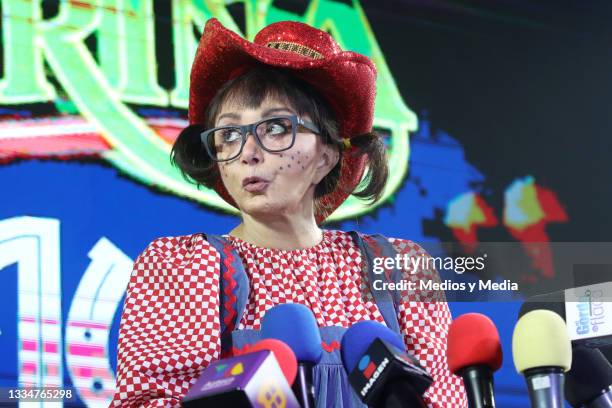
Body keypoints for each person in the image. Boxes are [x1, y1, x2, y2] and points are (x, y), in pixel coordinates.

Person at [111, 18, 468, 407]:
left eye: (276, 128)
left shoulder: (399, 267)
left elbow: (448, 401)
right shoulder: (183, 267)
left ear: (328, 155)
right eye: (228, 134)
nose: (248, 152)